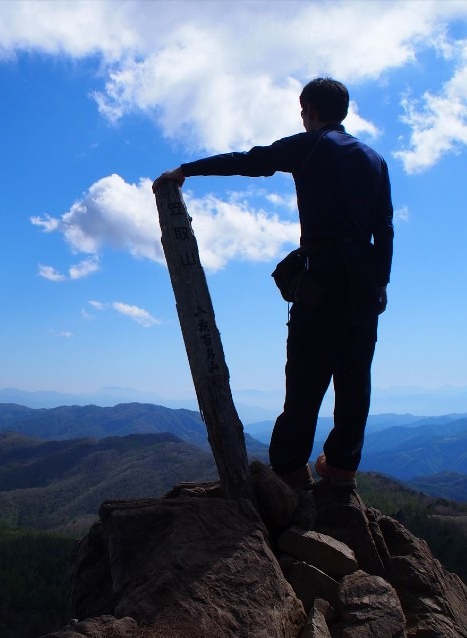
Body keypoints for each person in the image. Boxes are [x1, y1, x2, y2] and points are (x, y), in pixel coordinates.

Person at [153, 77, 393, 490]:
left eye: (303, 112)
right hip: (365, 280)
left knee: (305, 374)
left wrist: (186, 171)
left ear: (309, 111)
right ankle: (340, 467)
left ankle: (288, 470)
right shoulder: (375, 159)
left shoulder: (311, 145)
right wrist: (381, 282)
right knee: (355, 378)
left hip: (324, 276)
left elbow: (250, 161)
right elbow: (384, 227)